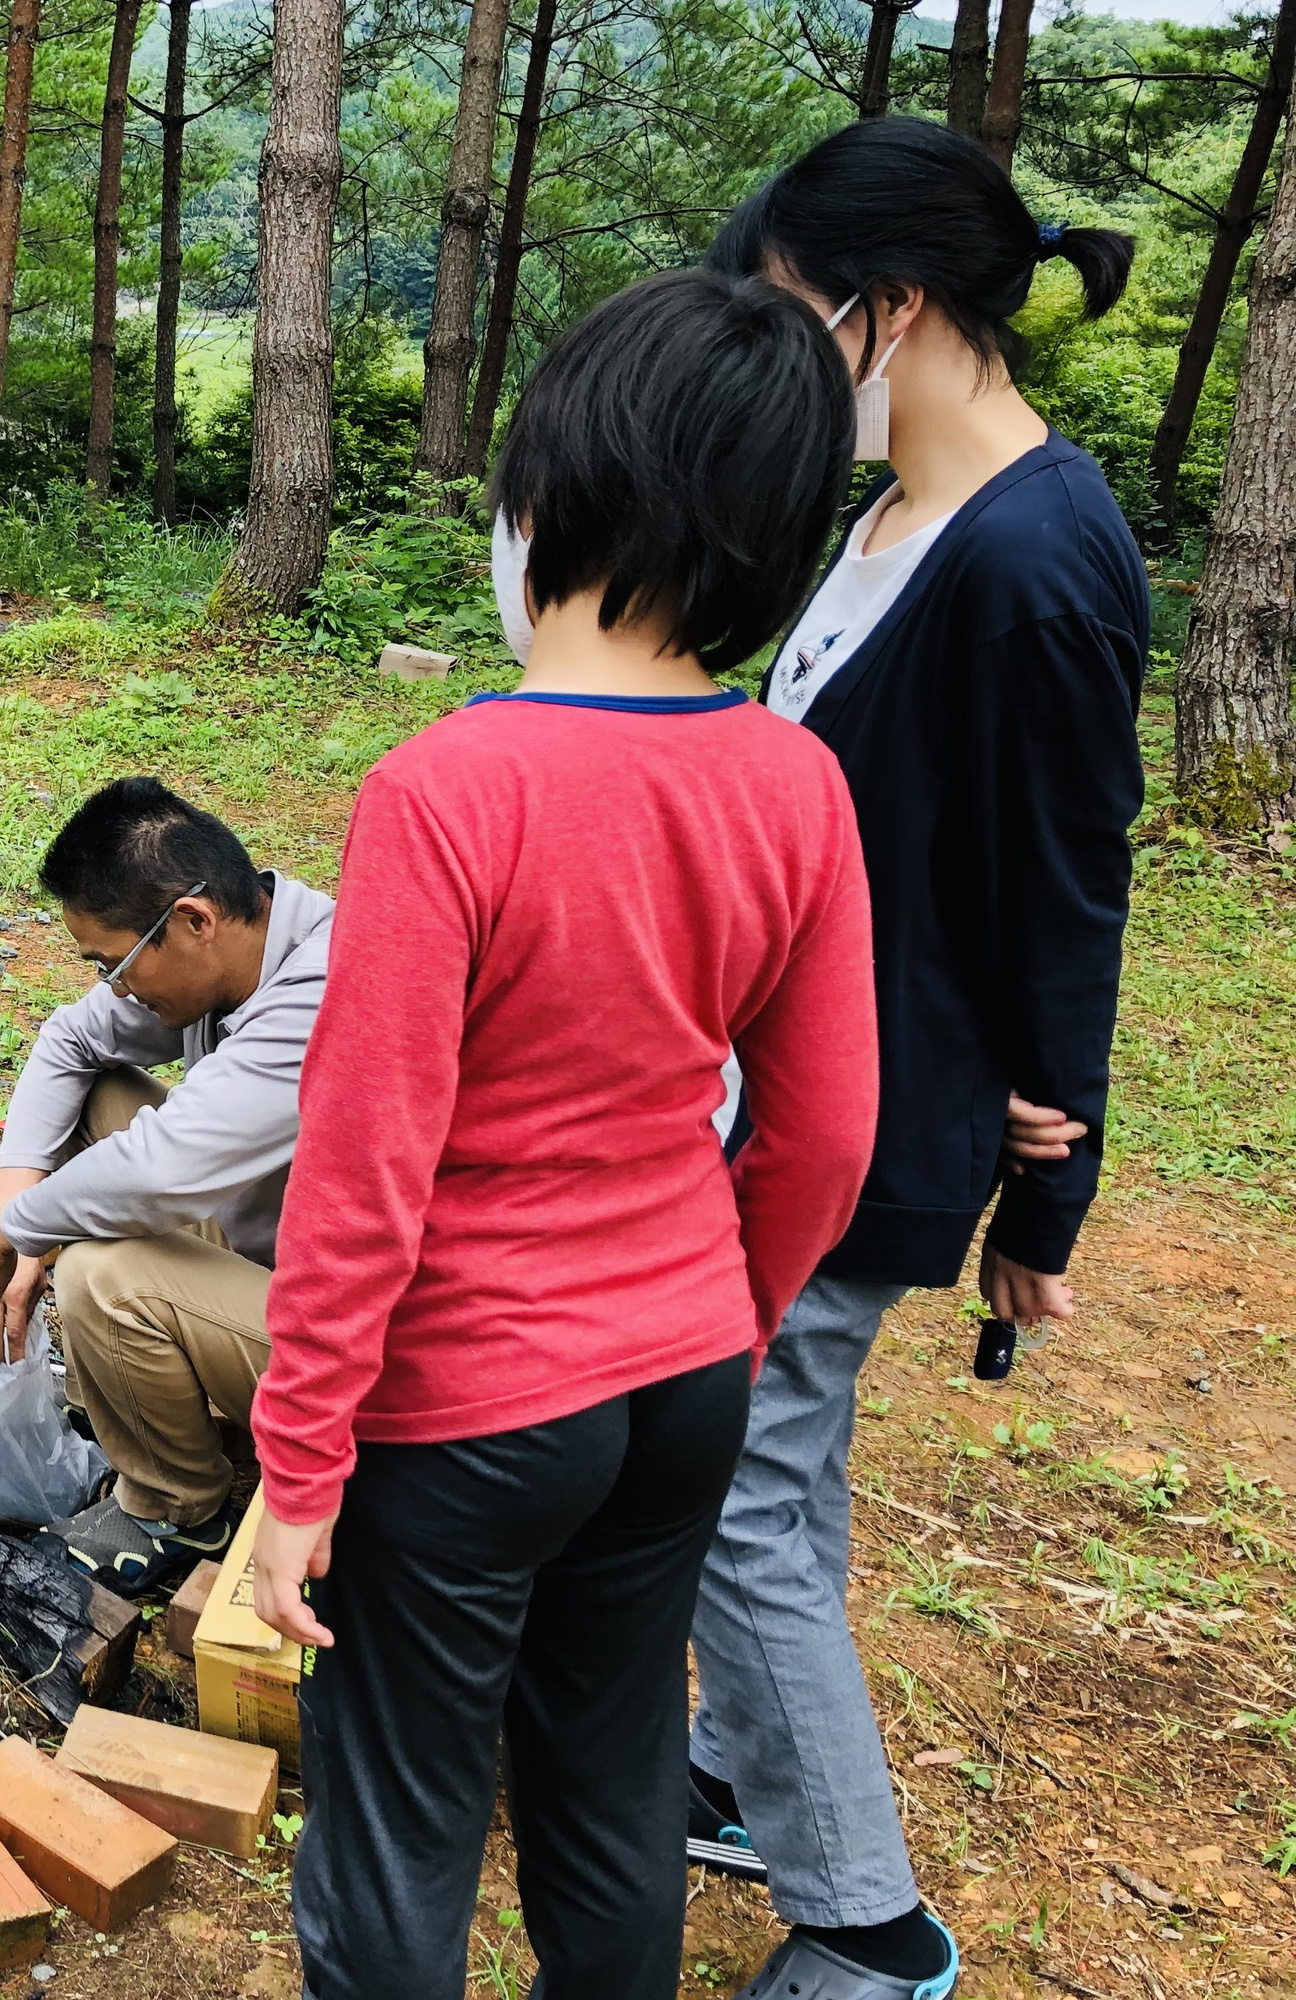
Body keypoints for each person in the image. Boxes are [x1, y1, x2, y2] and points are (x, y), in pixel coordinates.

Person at [241, 269, 880, 1998]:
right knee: (609, 1802)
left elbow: (365, 1172)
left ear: (547, 494)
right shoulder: (794, 784)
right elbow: (823, 1135)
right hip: (679, 1385)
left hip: (468, 1413)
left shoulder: (448, 790)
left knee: (399, 1829)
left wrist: (301, 1469)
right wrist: (719, 1322)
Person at [681, 118, 1147, 2000]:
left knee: (737, 1493)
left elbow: (1063, 890)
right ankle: (740, 1755)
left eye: (790, 318)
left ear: (888, 311)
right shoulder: (886, 524)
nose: (781, 364)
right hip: (792, 1083)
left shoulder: (1039, 556)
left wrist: (1052, 1175)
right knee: (782, 1472)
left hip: (883, 1113)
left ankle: (870, 1927)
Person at [0, 778, 336, 1594]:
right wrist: (13, 1225)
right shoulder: (247, 940)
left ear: (193, 922)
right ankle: (160, 1393)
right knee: (96, 1097)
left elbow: (159, 1169)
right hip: (273, 1253)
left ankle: (177, 1508)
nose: (113, 990)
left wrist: (11, 1238)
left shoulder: (323, 997)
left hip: (364, 1359)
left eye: (116, 966)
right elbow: (70, 1040)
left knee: (104, 1273)